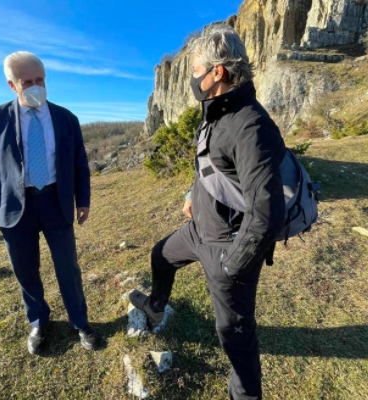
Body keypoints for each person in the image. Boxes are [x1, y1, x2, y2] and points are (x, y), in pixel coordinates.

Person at [129, 25, 286, 400]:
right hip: (199, 229)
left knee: (235, 338)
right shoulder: (216, 111)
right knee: (160, 255)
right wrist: (191, 193)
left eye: (197, 70)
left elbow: (267, 212)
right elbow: (211, 164)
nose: (193, 79)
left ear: (218, 72)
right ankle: (155, 307)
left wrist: (232, 266)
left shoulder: (251, 125)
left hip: (227, 247)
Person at [0, 51, 97, 355]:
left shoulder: (67, 118)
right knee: (26, 271)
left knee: (68, 268)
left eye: (40, 79)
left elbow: (80, 163)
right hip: (15, 208)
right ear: (12, 85)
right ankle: (39, 321)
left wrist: (83, 200)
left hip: (56, 202)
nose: (36, 86)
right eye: (27, 81)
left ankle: (79, 322)